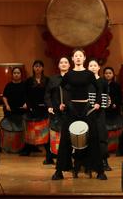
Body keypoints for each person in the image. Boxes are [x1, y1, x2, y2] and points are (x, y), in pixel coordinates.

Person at [52, 49, 105, 180]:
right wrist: (61, 103)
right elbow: (60, 88)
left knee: (93, 137)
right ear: (73, 59)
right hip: (71, 108)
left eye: (80, 56)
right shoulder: (69, 74)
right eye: (76, 56)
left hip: (86, 108)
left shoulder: (89, 74)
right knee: (65, 138)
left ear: (84, 58)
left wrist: (98, 102)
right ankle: (59, 171)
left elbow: (99, 88)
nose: (78, 58)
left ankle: (100, 171)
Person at [45, 56, 70, 166]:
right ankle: (51, 157)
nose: (63, 64)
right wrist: (50, 106)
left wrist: (68, 105)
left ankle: (68, 159)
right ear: (59, 65)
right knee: (54, 135)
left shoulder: (72, 78)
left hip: (69, 112)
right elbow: (47, 95)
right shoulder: (53, 79)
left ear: (69, 65)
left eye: (66, 62)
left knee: (68, 136)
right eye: (61, 62)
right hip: (55, 112)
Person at [22, 60, 50, 158]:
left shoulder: (47, 80)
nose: (38, 68)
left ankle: (48, 151)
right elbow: (25, 94)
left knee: (44, 128)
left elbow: (49, 93)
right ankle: (28, 148)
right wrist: (28, 104)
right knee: (31, 128)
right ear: (33, 68)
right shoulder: (29, 81)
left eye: (39, 66)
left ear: (42, 68)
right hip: (32, 107)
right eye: (36, 66)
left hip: (44, 107)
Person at [88, 58, 111, 171]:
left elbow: (106, 96)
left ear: (98, 68)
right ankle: (89, 163)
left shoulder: (103, 82)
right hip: (87, 113)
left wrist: (108, 101)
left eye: (95, 65)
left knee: (102, 136)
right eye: (90, 66)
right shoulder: (85, 82)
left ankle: (104, 161)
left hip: (100, 113)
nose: (93, 67)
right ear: (88, 68)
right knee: (89, 137)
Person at [103, 66, 123, 157]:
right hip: (104, 111)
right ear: (104, 74)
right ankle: (105, 148)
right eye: (106, 73)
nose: (108, 75)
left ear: (113, 74)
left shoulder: (116, 85)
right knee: (105, 129)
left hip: (114, 110)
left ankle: (116, 148)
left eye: (110, 73)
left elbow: (119, 97)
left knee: (116, 129)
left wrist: (115, 103)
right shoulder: (102, 84)